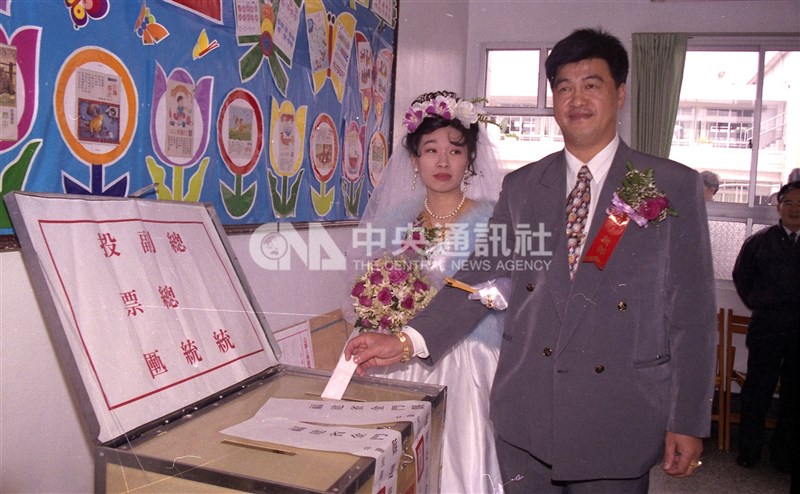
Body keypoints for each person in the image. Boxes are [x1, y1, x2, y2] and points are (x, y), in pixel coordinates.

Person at [346, 29, 717, 492]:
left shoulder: (669, 184)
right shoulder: (524, 188)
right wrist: (404, 341)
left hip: (616, 411)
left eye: (591, 84)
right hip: (527, 412)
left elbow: (693, 315)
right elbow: (479, 275)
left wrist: (687, 418)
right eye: (563, 86)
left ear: (620, 94)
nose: (576, 98)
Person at [348, 90, 506, 493]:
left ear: (470, 158)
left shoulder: (492, 222)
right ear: (414, 159)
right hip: (404, 358)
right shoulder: (396, 224)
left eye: (454, 150)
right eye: (430, 150)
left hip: (472, 360)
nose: (442, 161)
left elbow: (499, 293)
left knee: (462, 458)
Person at [731, 180, 800, 472]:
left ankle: (784, 454)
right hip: (767, 327)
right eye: (788, 203)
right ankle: (749, 450)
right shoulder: (759, 241)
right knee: (757, 391)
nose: (794, 210)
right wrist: (760, 303)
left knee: (795, 396)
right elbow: (741, 276)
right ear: (778, 206)